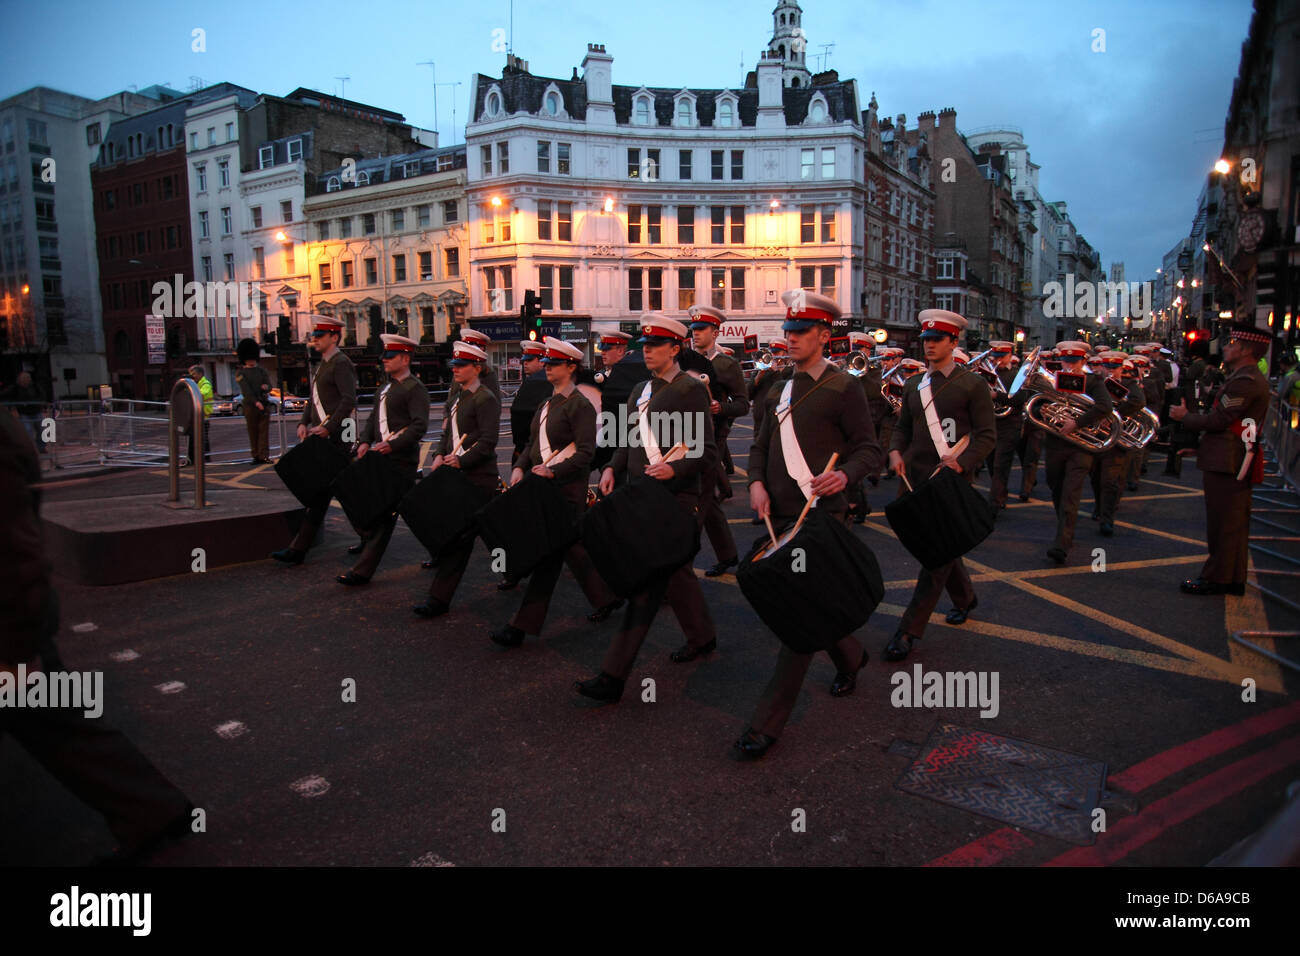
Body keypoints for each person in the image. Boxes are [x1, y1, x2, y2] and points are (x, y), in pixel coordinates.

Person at [0, 408, 194, 864]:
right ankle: (153, 809)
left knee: (54, 721)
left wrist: (16, 645)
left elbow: (13, 550)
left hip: (8, 625)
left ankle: (153, 809)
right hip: (14, 622)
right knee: (56, 723)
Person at [734, 291, 881, 760]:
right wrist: (755, 483)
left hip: (821, 515)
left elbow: (867, 449)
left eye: (801, 332)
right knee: (813, 602)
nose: (791, 338)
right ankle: (851, 656)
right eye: (789, 330)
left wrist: (845, 475)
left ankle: (766, 723)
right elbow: (758, 447)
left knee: (796, 616)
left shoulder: (844, 387)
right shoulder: (777, 389)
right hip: (777, 512)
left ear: (823, 335)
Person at [575, 315, 719, 703]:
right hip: (642, 493)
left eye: (656, 345)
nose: (647, 351)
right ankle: (703, 637)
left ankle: (612, 677)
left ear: (676, 349)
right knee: (676, 575)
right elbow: (628, 438)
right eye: (645, 345)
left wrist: (675, 466)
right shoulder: (640, 388)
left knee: (647, 585)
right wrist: (611, 467)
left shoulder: (690, 389)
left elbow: (705, 448)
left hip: (675, 498)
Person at [491, 337, 622, 646]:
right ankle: (606, 597)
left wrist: (554, 470)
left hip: (566, 491)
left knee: (548, 558)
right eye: (546, 363)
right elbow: (532, 445)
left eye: (554, 364)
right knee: (571, 550)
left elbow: (586, 454)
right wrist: (521, 465)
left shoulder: (580, 405)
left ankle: (519, 627)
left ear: (571, 367)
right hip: (544, 488)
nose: (547, 368)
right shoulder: (546, 404)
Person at [885, 310, 997, 662]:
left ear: (954, 342)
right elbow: (903, 425)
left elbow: (986, 435)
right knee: (939, 550)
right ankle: (965, 598)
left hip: (950, 481)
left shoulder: (972, 384)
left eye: (937, 340)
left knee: (935, 559)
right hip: (914, 478)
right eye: (926, 340)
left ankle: (908, 631)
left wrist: (963, 462)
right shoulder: (914, 384)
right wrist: (894, 450)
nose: (929, 345)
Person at [1170, 322, 1272, 595]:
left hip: (1230, 459)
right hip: (1230, 454)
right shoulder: (1242, 377)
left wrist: (1185, 418)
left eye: (1232, 343)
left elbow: (1220, 421)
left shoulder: (1245, 382)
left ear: (1246, 349)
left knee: (1224, 523)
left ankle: (1217, 578)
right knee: (1231, 522)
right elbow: (1230, 424)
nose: (1225, 347)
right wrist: (1202, 449)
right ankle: (1232, 577)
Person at [413, 340, 501, 618]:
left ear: (477, 367)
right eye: (454, 365)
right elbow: (446, 434)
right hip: (459, 476)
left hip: (479, 478)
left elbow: (488, 441)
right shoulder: (456, 397)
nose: (456, 370)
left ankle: (439, 598)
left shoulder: (485, 398)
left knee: (467, 538)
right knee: (482, 533)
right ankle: (513, 566)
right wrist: (439, 453)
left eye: (462, 366)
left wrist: (461, 460)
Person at [335, 334, 430, 586]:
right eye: (385, 357)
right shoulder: (385, 388)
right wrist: (365, 441)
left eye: (390, 357)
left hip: (400, 462)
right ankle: (443, 547)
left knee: (385, 516)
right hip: (381, 459)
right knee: (413, 512)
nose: (385, 361)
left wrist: (394, 444)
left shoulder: (415, 389)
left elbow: (419, 426)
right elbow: (372, 420)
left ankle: (363, 571)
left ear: (405, 358)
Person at [271, 316, 358, 565]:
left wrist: (329, 428)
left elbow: (348, 400)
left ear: (334, 337)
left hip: (337, 440)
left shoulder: (341, 363)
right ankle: (298, 549)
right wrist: (303, 422)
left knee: (345, 495)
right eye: (315, 335)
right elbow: (313, 398)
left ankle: (371, 535)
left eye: (320, 336)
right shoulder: (323, 364)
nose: (315, 339)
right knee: (322, 496)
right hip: (324, 438)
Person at [689, 304, 749, 577]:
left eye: (701, 329)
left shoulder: (727, 364)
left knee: (698, 498)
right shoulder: (686, 360)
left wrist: (720, 408)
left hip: (714, 437)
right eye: (693, 329)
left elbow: (743, 404)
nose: (696, 334)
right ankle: (727, 554)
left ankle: (681, 562)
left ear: (716, 331)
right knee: (707, 500)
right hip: (687, 435)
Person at [1041, 341, 1114, 565]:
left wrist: (1077, 422)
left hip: (1080, 446)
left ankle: (1062, 543)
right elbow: (1036, 403)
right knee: (1056, 487)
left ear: (1083, 361)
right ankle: (1065, 527)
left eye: (1074, 362)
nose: (1069, 366)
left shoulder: (1093, 381)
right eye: (1066, 361)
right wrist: (1043, 409)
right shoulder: (1053, 381)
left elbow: (1105, 406)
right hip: (1055, 443)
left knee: (1071, 493)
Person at [1089, 352, 1145, 537]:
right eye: (1108, 368)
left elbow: (1138, 401)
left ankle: (1107, 519)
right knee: (1096, 477)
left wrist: (1114, 416)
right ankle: (1099, 506)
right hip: (1096, 437)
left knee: (1110, 481)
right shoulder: (1097, 383)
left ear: (1122, 368)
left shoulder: (1129, 384)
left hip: (1117, 439)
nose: (1111, 371)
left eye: (1115, 368)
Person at [983, 341, 1022, 515]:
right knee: (991, 463)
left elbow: (1020, 398)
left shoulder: (1016, 375)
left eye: (1002, 357)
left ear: (1009, 356)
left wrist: (996, 395)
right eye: (995, 357)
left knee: (1000, 464)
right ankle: (1001, 493)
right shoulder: (986, 374)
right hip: (989, 423)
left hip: (1009, 424)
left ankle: (994, 504)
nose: (998, 360)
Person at [510, 340, 550, 465]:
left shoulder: (543, 383)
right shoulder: (529, 382)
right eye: (524, 361)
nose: (525, 363)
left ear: (541, 362)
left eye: (530, 360)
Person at [234, 338, 272, 464]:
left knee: (263, 432)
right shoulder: (241, 373)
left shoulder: (262, 371)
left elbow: (269, 385)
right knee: (253, 431)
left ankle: (264, 455)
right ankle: (256, 455)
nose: (251, 360)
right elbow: (246, 391)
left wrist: (266, 387)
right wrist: (256, 402)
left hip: (264, 404)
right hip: (251, 406)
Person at [449, 327, 502, 403]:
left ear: (481, 349)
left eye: (469, 346)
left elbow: (494, 403)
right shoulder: (459, 372)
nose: (466, 349)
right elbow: (451, 399)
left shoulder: (487, 373)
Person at [0, 370, 46, 455]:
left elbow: (42, 395)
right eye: (24, 379)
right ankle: (30, 449)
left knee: (42, 431)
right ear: (20, 380)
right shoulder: (15, 388)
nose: (26, 380)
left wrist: (39, 403)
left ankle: (41, 448)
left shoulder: (35, 386)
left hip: (36, 412)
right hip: (24, 413)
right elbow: (4, 394)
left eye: (27, 378)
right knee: (28, 432)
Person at [184, 364, 214, 466]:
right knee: (192, 438)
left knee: (203, 438)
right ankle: (192, 458)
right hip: (195, 416)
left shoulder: (205, 384)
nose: (192, 376)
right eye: (191, 374)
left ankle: (205, 457)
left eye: (194, 374)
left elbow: (199, 395)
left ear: (200, 374)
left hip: (203, 416)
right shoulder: (195, 384)